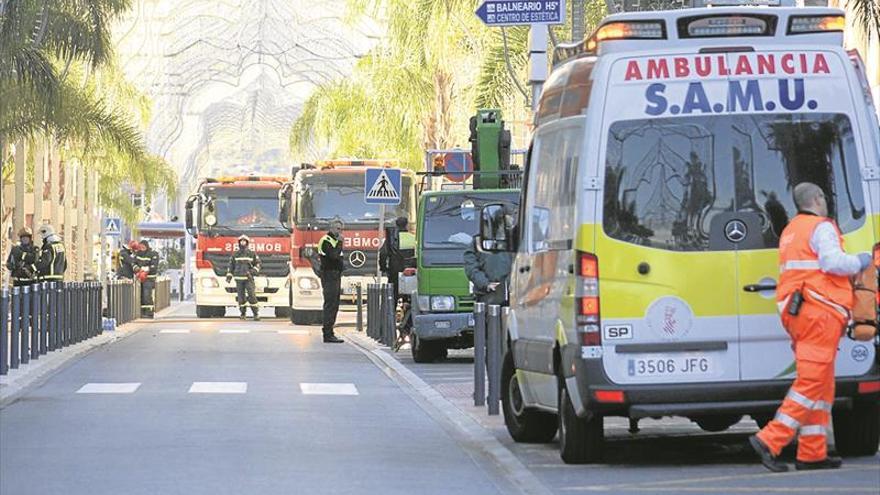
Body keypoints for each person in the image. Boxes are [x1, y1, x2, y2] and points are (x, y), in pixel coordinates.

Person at [750, 182, 872, 472]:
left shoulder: (791, 230)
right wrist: (862, 260)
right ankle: (770, 439)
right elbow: (833, 263)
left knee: (822, 383)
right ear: (817, 199)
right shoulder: (821, 227)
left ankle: (812, 453)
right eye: (824, 198)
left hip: (801, 311)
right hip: (819, 311)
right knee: (811, 383)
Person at [463, 207, 514, 306]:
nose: (509, 228)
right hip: (487, 296)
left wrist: (508, 283)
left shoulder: (515, 241)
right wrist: (485, 284)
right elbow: (471, 267)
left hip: (512, 295)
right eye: (506, 224)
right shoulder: (478, 242)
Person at [317, 219, 345, 343]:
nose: (340, 232)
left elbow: (338, 258)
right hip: (328, 275)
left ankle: (330, 332)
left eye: (341, 229)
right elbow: (333, 256)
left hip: (335, 275)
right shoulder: (326, 240)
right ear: (331, 228)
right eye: (338, 229)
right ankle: (327, 333)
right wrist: (339, 243)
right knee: (330, 304)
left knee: (335, 305)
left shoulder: (334, 240)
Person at [378, 216, 416, 302]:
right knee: (409, 296)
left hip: (394, 271)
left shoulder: (391, 240)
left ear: (396, 225)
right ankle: (406, 311)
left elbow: (383, 253)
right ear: (407, 225)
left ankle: (391, 314)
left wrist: (383, 268)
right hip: (409, 271)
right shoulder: (412, 238)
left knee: (392, 297)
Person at [226, 235, 261, 321]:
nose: (242, 243)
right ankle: (242, 313)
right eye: (241, 241)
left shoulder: (251, 254)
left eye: (244, 241)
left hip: (248, 278)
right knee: (241, 298)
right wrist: (229, 276)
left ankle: (255, 314)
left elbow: (258, 265)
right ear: (239, 243)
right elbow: (231, 266)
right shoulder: (235, 254)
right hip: (239, 279)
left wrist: (252, 272)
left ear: (247, 243)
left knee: (252, 296)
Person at [136, 240, 159, 318]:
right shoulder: (138, 254)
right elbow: (135, 263)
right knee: (141, 296)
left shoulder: (153, 254)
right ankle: (142, 312)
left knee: (147, 295)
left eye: (143, 247)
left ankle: (149, 312)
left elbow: (154, 266)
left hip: (149, 278)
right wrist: (138, 270)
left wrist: (146, 269)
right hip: (140, 277)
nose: (142, 248)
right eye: (140, 247)